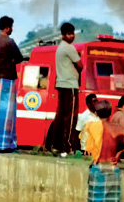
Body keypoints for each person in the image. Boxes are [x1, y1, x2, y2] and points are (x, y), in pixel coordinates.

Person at [83, 100, 124, 202]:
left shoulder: (92, 127)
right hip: (112, 167)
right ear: (111, 113)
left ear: (96, 113)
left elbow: (87, 147)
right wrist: (121, 152)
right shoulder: (116, 127)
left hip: (97, 167)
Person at [0, 15, 24, 152]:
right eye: (11, 27)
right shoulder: (9, 41)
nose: (12, 29)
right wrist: (11, 61)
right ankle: (4, 144)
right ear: (7, 27)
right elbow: (19, 57)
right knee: (7, 112)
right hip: (7, 79)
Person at [51, 22, 83, 156]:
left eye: (72, 33)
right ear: (63, 35)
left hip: (61, 84)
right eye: (69, 34)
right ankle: (67, 145)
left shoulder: (60, 48)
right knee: (70, 118)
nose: (72, 36)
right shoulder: (69, 48)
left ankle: (55, 144)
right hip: (70, 85)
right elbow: (80, 65)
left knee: (60, 116)